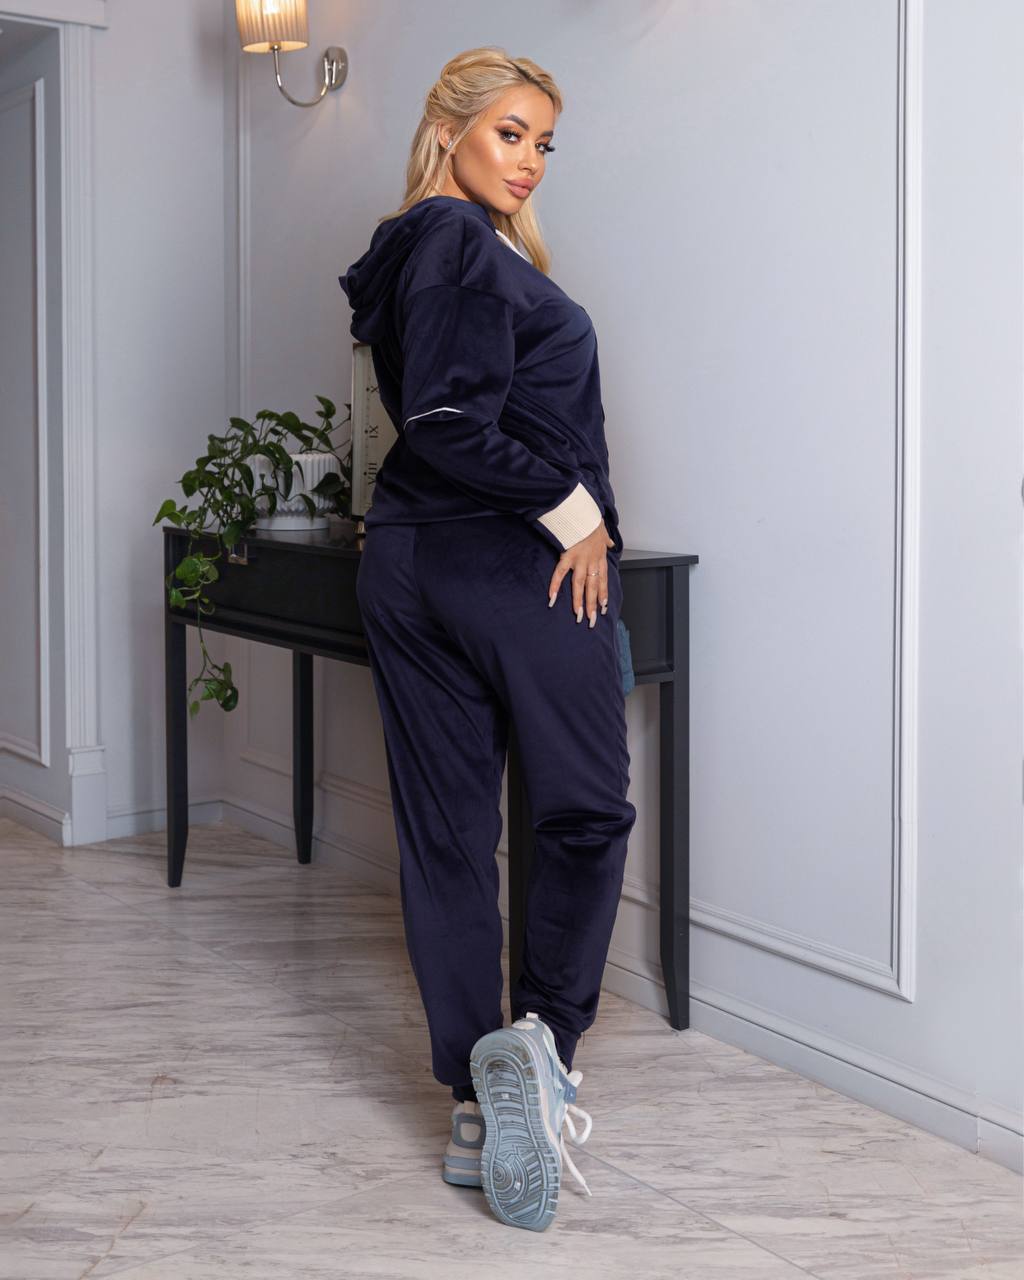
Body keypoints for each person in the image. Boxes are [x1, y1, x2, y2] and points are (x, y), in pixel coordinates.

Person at [338, 46, 637, 1232]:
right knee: (586, 809)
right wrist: (577, 513)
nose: (529, 160)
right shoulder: (457, 239)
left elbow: (429, 414)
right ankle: (542, 1047)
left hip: (406, 560)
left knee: (449, 836)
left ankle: (476, 1109)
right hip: (513, 558)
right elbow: (448, 416)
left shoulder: (415, 246)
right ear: (448, 128)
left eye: (543, 142)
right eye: (510, 132)